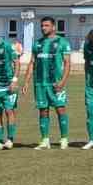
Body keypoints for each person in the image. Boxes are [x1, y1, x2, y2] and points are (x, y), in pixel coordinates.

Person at [29, 16, 72, 150]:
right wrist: (26, 82)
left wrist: (63, 82)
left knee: (60, 109)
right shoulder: (37, 43)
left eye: (46, 25)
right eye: (42, 26)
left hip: (56, 83)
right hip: (40, 83)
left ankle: (64, 139)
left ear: (54, 27)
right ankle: (45, 140)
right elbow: (32, 63)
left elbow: (67, 63)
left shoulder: (62, 42)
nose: (43, 28)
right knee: (43, 111)